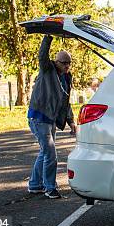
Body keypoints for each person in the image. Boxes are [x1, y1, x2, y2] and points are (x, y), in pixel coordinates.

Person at [27, 35, 77, 199]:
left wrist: (71, 122)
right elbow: (42, 55)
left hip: (50, 120)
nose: (67, 65)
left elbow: (65, 102)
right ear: (56, 62)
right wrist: (48, 37)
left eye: (69, 62)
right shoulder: (47, 69)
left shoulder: (66, 77)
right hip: (38, 118)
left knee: (44, 152)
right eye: (64, 62)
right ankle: (50, 188)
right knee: (50, 153)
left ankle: (35, 185)